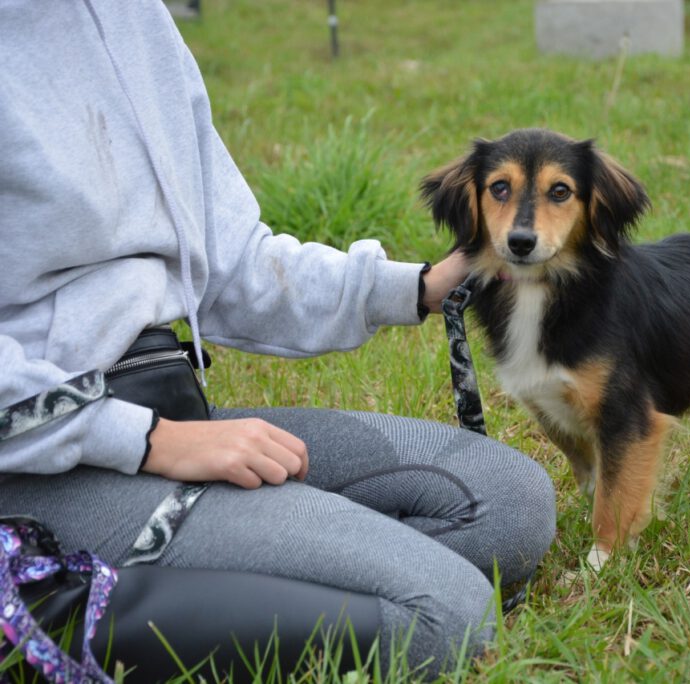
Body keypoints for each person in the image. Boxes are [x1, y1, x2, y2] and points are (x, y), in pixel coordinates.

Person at [0, 0, 556, 678]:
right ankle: (31, 598)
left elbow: (230, 259)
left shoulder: (130, 16)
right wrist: (149, 442)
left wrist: (414, 287)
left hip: (164, 403)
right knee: (445, 615)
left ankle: (246, 559)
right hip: (35, 464)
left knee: (510, 500)